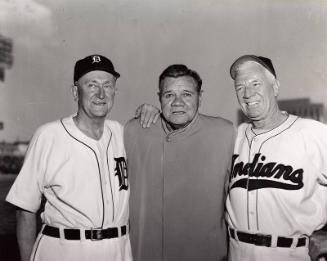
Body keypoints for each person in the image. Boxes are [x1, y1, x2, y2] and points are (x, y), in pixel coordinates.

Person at [6, 54, 132, 261]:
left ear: (115, 91)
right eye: (92, 85)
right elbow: (24, 209)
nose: (101, 93)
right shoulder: (49, 135)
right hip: (65, 249)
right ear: (75, 92)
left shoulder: (122, 133)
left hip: (119, 249)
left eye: (108, 85)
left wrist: (150, 111)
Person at [124, 64, 234, 261]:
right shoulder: (135, 131)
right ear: (159, 98)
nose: (177, 103)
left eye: (186, 94)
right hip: (147, 254)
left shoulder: (224, 133)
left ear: (200, 96)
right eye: (169, 95)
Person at [225, 54, 327, 261]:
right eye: (240, 87)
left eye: (256, 83)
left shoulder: (312, 133)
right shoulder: (232, 137)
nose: (247, 93)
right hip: (238, 253)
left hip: (291, 254)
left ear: (276, 87)